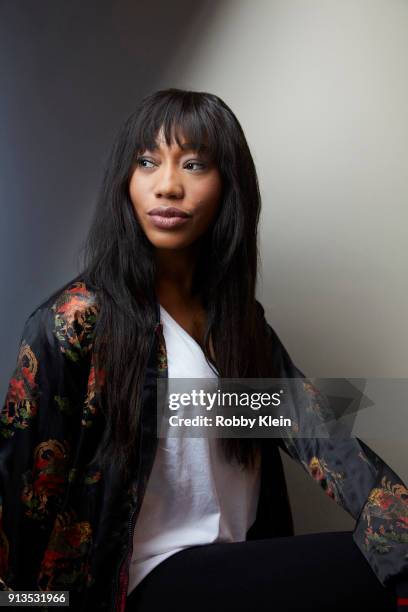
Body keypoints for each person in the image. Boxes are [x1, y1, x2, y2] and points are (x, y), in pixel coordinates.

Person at [0, 88, 407, 612]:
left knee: (392, 555)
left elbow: (323, 436)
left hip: (231, 568)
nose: (167, 186)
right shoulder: (74, 322)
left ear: (227, 186)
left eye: (193, 164)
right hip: (136, 587)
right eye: (147, 161)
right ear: (126, 180)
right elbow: (22, 500)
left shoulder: (237, 323)